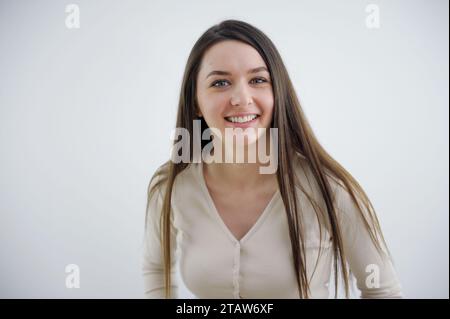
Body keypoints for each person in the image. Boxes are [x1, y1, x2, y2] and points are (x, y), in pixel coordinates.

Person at [142, 19, 403, 299]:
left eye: (258, 80)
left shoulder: (330, 189)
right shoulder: (171, 186)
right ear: (195, 100)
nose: (241, 98)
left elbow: (382, 291)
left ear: (278, 92)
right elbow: (156, 269)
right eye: (220, 82)